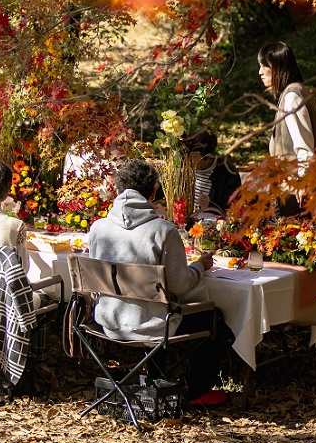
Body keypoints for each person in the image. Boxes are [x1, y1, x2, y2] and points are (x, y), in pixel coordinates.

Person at [87, 159, 225, 405]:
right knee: (212, 317)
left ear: (118, 189)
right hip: (152, 325)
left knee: (154, 306)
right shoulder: (163, 230)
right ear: (153, 192)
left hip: (108, 320)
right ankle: (198, 391)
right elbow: (180, 285)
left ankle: (156, 377)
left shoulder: (99, 228)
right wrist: (199, 266)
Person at [258, 42, 316, 213]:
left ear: (277, 67)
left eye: (264, 66)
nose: (260, 72)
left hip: (299, 194)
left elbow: (304, 148)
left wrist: (303, 182)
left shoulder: (292, 97)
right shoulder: (295, 92)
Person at [181, 130, 242, 217]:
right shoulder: (184, 169)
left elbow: (233, 211)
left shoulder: (227, 173)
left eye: (193, 156)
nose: (186, 161)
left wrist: (210, 205)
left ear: (208, 155)